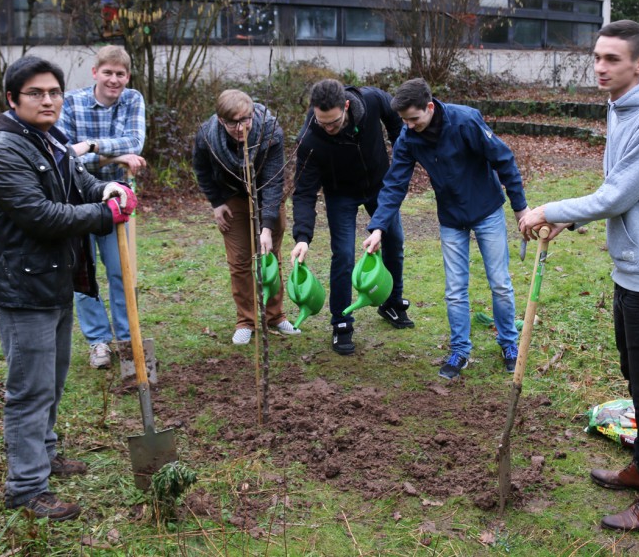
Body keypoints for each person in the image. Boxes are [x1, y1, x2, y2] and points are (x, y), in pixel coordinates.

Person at [519, 19, 639, 531]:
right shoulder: (620, 108)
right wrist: (571, 216)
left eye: (612, 59)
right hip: (627, 266)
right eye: (596, 57)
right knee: (635, 376)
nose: (599, 67)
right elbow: (615, 184)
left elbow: (616, 197)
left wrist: (548, 208)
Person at [0, 55, 137, 520]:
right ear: (12, 99)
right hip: (20, 289)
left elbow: (79, 181)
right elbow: (41, 215)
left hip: (53, 280)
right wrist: (106, 216)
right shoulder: (3, 151)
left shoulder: (50, 139)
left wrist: (107, 190)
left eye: (53, 93)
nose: (47, 100)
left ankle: (44, 456)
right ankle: (26, 488)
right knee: (29, 389)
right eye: (35, 93)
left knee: (53, 381)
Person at [362, 78, 528, 379]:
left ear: (429, 106)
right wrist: (378, 228)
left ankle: (508, 344)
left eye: (413, 119)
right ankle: (460, 351)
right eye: (404, 121)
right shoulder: (409, 137)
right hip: (451, 218)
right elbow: (394, 184)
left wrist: (520, 208)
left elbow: (503, 159)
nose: (409, 126)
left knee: (500, 283)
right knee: (454, 290)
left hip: (487, 209)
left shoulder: (465, 120)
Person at [291, 78, 411, 356]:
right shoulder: (310, 139)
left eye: (333, 122)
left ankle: (391, 303)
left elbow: (395, 119)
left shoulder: (371, 100)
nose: (328, 129)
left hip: (379, 185)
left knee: (394, 242)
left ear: (346, 106)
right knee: (343, 255)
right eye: (322, 123)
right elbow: (304, 192)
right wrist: (302, 236)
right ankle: (342, 321)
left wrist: (401, 151)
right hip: (340, 195)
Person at [57, 45, 147, 370]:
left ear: (127, 76)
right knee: (84, 272)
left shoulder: (133, 100)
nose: (114, 79)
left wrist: (92, 146)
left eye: (120, 74)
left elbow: (134, 142)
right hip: (76, 198)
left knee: (121, 270)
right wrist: (118, 156)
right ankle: (98, 342)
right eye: (107, 72)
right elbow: (65, 153)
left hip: (117, 198)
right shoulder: (70, 102)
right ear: (95, 73)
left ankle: (126, 338)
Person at [192, 89, 300, 344]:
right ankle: (246, 320)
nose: (241, 127)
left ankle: (275, 315)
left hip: (268, 196)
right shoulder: (207, 136)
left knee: (270, 256)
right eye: (233, 122)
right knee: (240, 261)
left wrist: (266, 227)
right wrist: (217, 203)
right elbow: (202, 169)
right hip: (232, 197)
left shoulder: (271, 132)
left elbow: (274, 183)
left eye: (246, 119)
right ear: (221, 120)